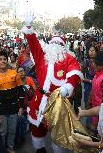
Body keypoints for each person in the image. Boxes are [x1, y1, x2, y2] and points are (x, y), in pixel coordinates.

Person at [22, 12, 83, 153]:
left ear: (63, 46)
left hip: (58, 101)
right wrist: (29, 27)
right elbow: (33, 43)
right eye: (53, 42)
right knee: (37, 128)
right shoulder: (41, 56)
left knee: (58, 132)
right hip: (40, 98)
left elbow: (74, 74)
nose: (55, 45)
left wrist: (67, 87)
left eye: (58, 43)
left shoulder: (68, 58)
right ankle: (40, 149)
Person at [0, 51, 25, 153]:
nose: (3, 61)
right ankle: (1, 149)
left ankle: (10, 148)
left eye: (4, 59)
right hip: (1, 110)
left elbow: (20, 91)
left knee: (12, 131)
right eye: (0, 59)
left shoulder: (15, 73)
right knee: (2, 132)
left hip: (14, 108)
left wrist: (21, 107)